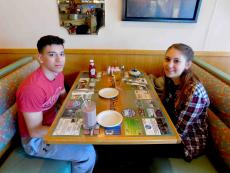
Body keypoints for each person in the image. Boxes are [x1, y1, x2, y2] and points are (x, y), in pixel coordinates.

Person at [16, 35, 96, 173]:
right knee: (87, 153)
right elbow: (34, 131)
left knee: (91, 124)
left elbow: (63, 98)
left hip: (53, 122)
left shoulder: (58, 74)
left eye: (62, 54)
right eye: (52, 55)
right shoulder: (32, 89)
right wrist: (72, 129)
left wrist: (80, 107)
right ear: (40, 58)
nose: (59, 60)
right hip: (35, 141)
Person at [161, 43, 210, 161]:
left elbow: (179, 132)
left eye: (176, 61)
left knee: (139, 147)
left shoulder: (194, 92)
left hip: (187, 143)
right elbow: (166, 107)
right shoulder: (171, 78)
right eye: (167, 59)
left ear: (187, 64)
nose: (169, 65)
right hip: (170, 128)